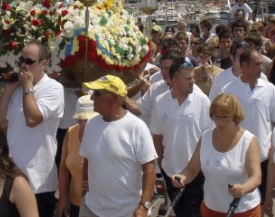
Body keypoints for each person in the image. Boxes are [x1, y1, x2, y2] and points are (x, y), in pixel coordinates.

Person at [0, 42, 64, 217]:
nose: (24, 65)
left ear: (43, 63)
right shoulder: (17, 89)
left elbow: (33, 119)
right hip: (11, 175)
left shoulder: (53, 88)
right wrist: (9, 89)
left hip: (39, 180)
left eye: (29, 61)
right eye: (21, 60)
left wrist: (27, 87)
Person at [79, 75, 157, 217]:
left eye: (97, 94)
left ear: (114, 97)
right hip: (91, 209)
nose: (92, 98)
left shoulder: (137, 127)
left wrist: (144, 205)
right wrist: (85, 189)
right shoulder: (90, 124)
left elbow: (149, 169)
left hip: (128, 212)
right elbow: (88, 160)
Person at [172, 93, 261, 216]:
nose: (220, 122)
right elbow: (191, 169)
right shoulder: (206, 137)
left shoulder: (249, 141)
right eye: (217, 117)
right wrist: (182, 178)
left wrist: (243, 189)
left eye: (226, 117)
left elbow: (256, 177)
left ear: (236, 117)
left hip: (242, 210)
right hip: (211, 208)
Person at [151, 57, 213, 216]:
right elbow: (157, 137)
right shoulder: (160, 102)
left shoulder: (202, 101)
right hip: (170, 172)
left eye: (193, 77)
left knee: (192, 213)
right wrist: (162, 165)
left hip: (197, 173)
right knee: (178, 212)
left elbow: (209, 136)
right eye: (188, 78)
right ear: (174, 81)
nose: (193, 81)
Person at [218, 49, 275, 209]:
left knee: (261, 202)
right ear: (244, 66)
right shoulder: (227, 90)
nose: (261, 68)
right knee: (236, 202)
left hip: (263, 157)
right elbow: (222, 124)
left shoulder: (270, 89)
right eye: (257, 64)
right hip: (236, 157)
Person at [57, 94, 98, 217]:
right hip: (76, 203)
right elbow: (63, 168)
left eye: (87, 120)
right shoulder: (71, 132)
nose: (83, 124)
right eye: (80, 119)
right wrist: (63, 199)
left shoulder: (106, 135)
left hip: (100, 206)